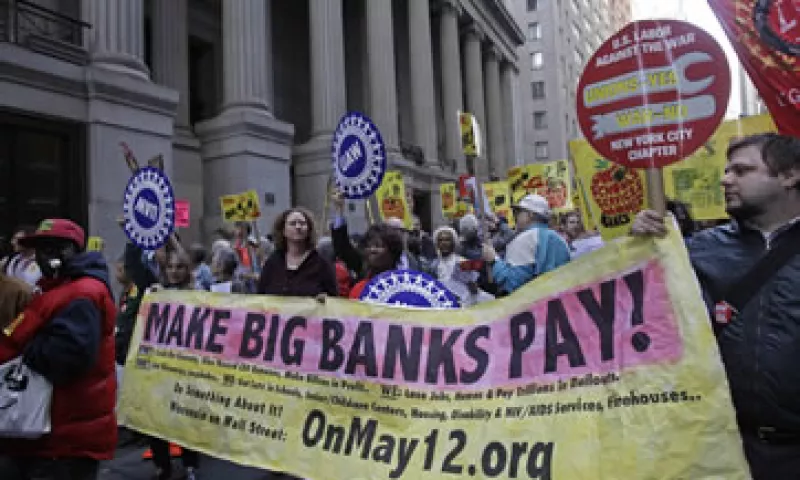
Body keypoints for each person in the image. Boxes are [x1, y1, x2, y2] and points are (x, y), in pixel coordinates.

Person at [631, 133, 800, 479]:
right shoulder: (698, 250)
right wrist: (639, 249)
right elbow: (640, 314)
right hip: (723, 447)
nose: (725, 179)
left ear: (789, 176)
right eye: (726, 170)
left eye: (741, 171)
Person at [0, 219, 117, 479]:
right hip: (47, 435)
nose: (42, 257)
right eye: (40, 249)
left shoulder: (82, 294)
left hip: (64, 441)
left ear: (70, 250)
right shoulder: (55, 289)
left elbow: (65, 359)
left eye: (51, 248)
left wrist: (24, 342)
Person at [483, 194, 570, 294]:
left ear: (530, 215)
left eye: (519, 212)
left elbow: (512, 283)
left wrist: (494, 260)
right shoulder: (561, 240)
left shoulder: (525, 239)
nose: (515, 216)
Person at [257, 207, 337, 298]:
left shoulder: (322, 264)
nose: (298, 227)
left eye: (302, 223)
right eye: (293, 223)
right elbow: (261, 296)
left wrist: (325, 299)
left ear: (309, 230)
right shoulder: (272, 262)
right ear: (283, 230)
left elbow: (334, 298)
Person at [348, 223, 406, 299]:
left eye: (378, 246)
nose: (372, 250)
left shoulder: (404, 288)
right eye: (368, 246)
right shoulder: (359, 289)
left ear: (393, 252)